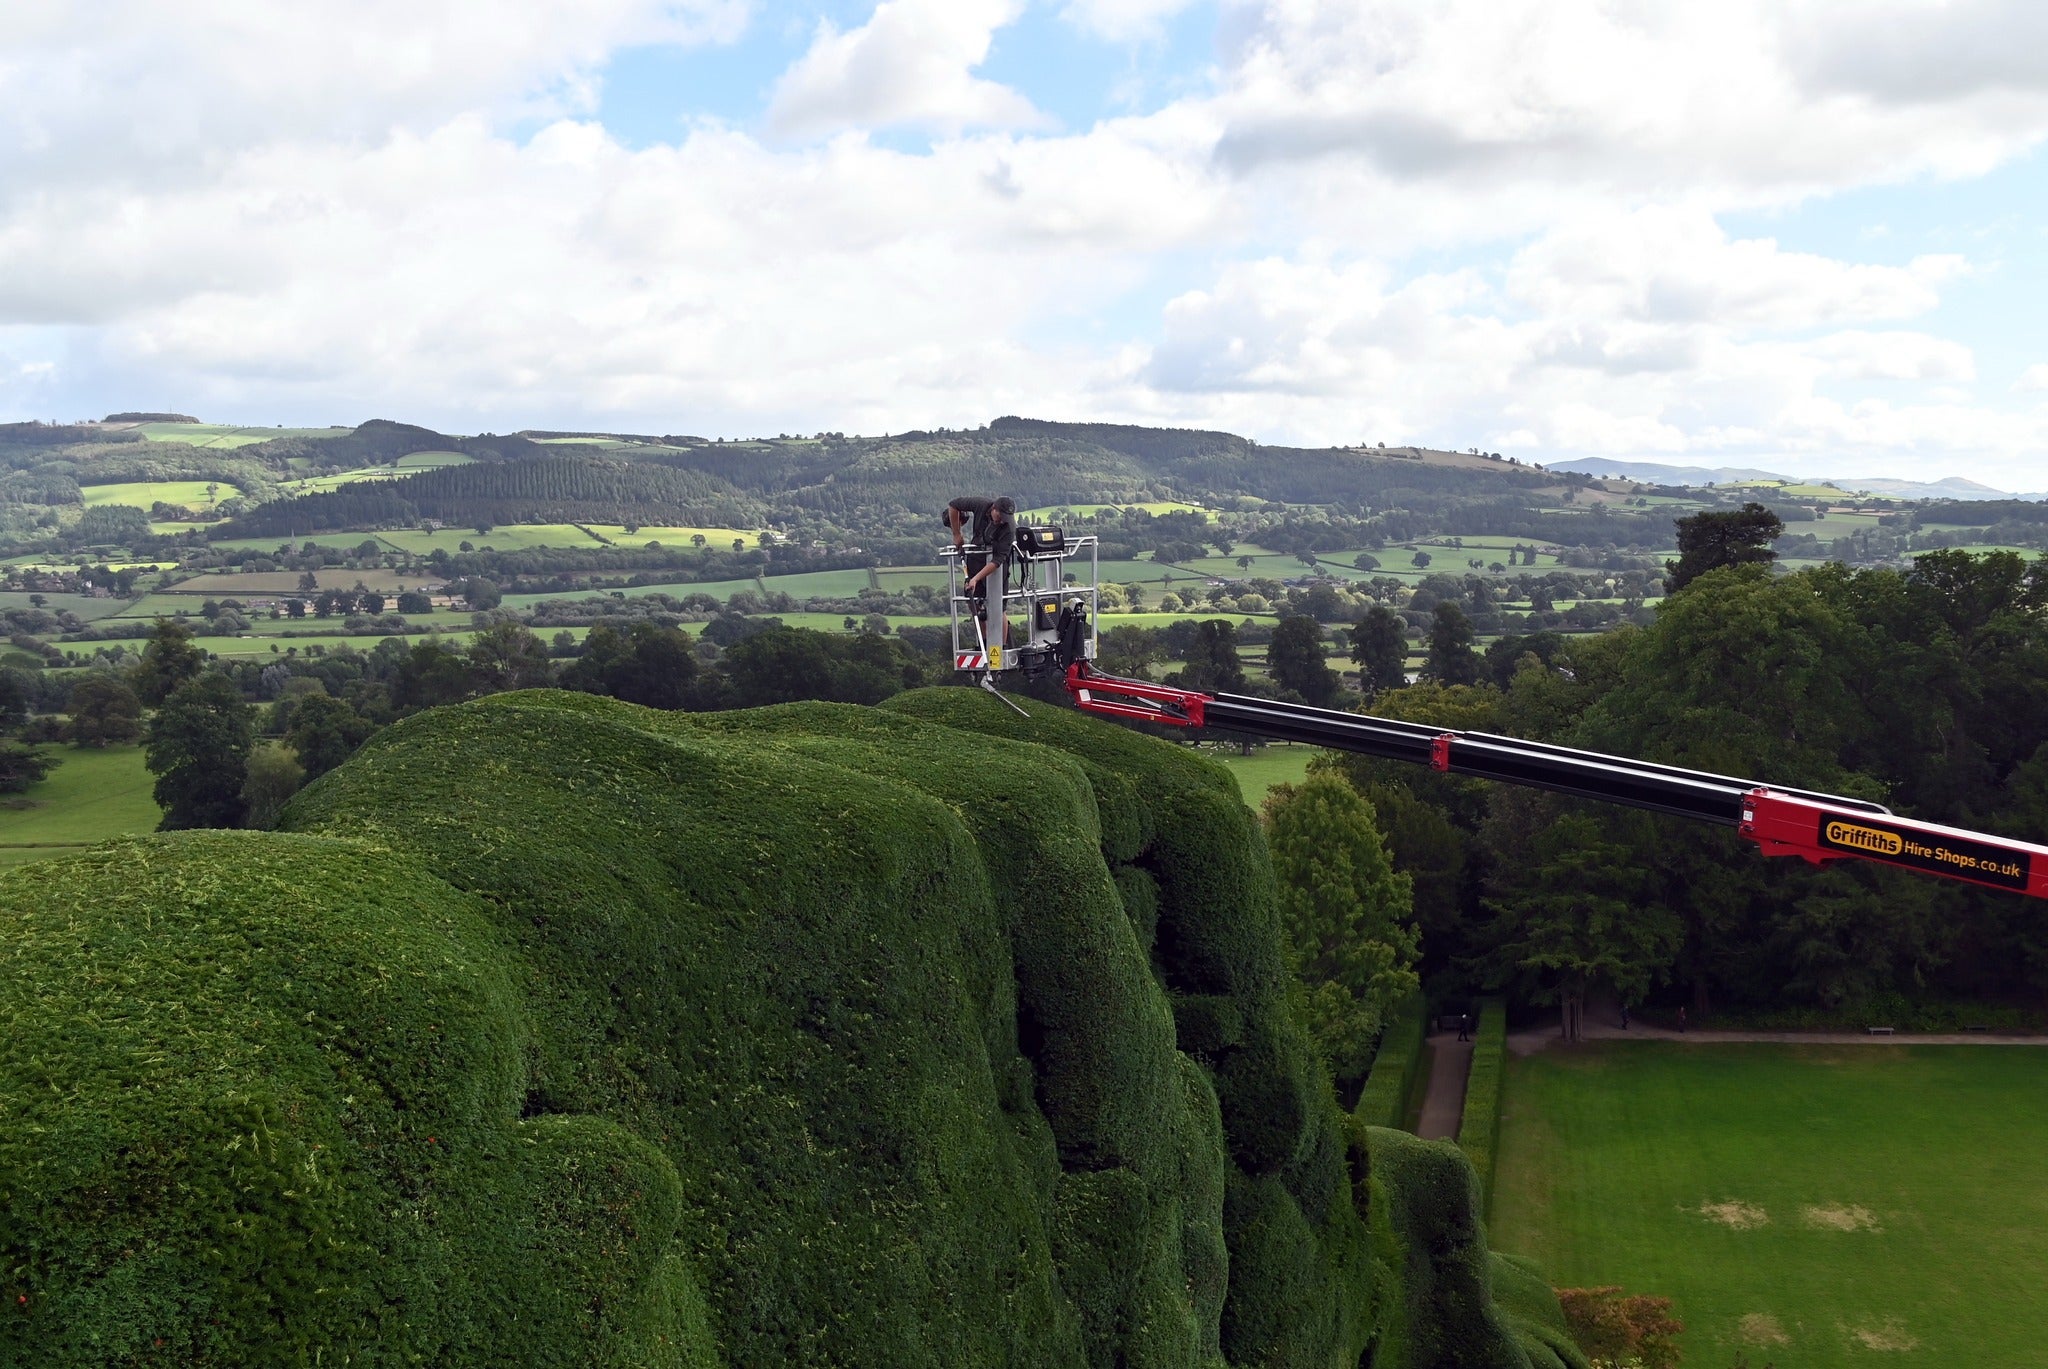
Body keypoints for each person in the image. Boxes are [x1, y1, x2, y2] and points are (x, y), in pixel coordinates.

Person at [945, 495, 1015, 602]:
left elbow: (998, 560)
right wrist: (957, 534)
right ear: (994, 508)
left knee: (998, 606)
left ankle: (997, 618)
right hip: (975, 558)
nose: (1002, 521)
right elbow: (953, 505)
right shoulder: (981, 504)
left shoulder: (1009, 528)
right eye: (1001, 516)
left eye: (1005, 518)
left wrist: (976, 579)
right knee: (973, 601)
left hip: (996, 567)